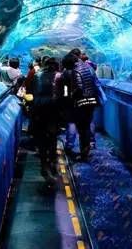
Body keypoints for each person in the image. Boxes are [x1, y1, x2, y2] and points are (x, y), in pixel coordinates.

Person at [61, 49, 100, 160]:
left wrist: (69, 97)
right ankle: (88, 148)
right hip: (92, 100)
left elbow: (78, 87)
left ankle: (82, 153)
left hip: (82, 101)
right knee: (87, 124)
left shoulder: (75, 70)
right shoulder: (88, 67)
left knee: (80, 127)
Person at [32, 57, 60, 185]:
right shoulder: (59, 76)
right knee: (52, 137)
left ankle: (44, 165)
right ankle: (52, 162)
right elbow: (65, 93)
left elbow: (32, 92)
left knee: (42, 138)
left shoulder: (37, 75)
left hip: (39, 109)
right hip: (54, 110)